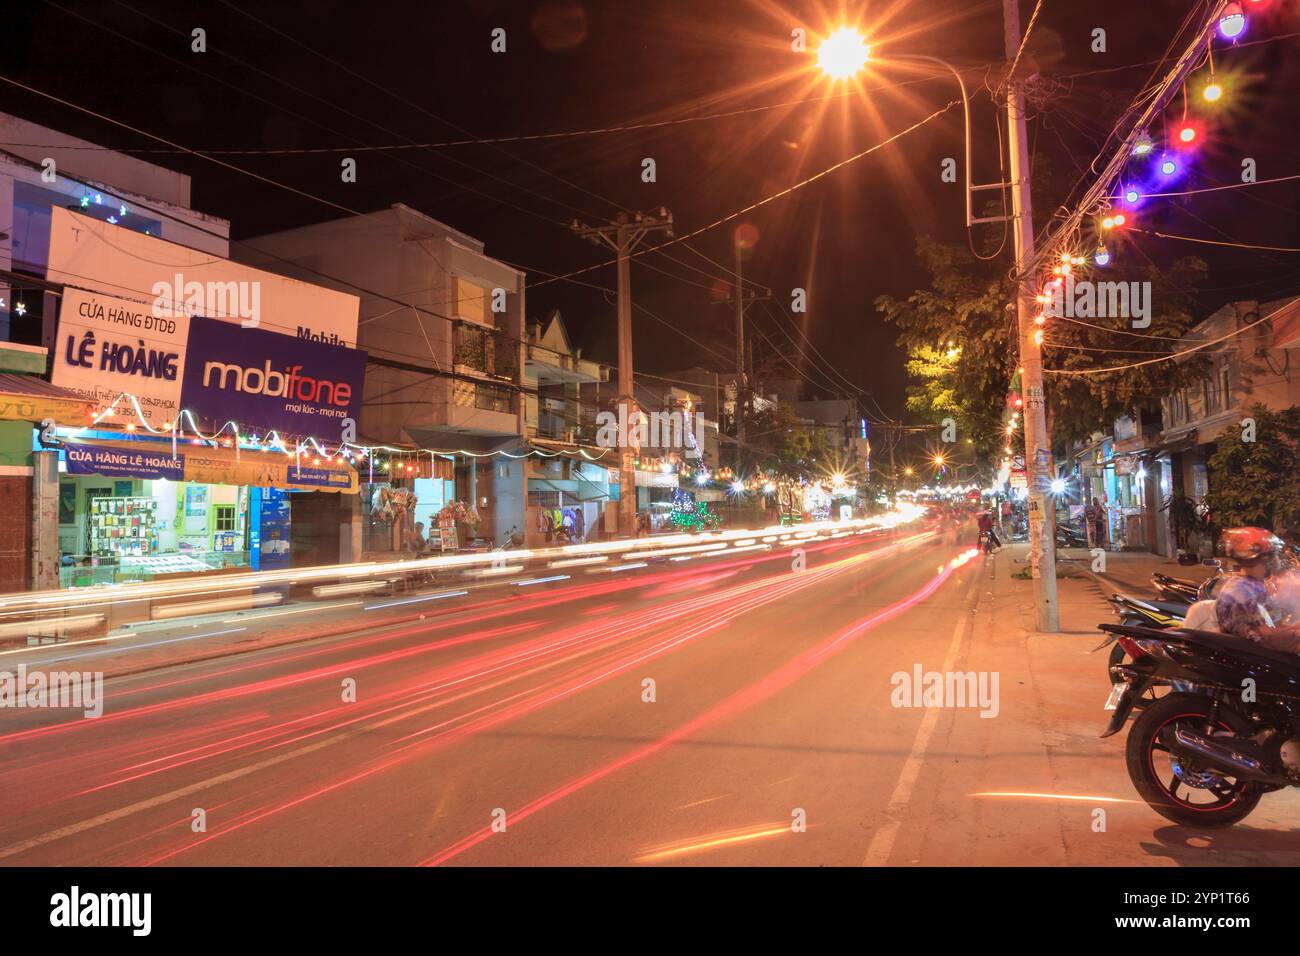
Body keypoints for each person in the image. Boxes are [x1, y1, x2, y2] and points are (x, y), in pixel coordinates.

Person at [1214, 527, 1300, 651]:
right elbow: (1265, 634)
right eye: (1275, 555)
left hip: (1257, 647)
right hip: (1258, 653)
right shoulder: (1242, 591)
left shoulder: (1248, 584)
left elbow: (1271, 621)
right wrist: (1294, 631)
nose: (1279, 560)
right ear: (1265, 560)